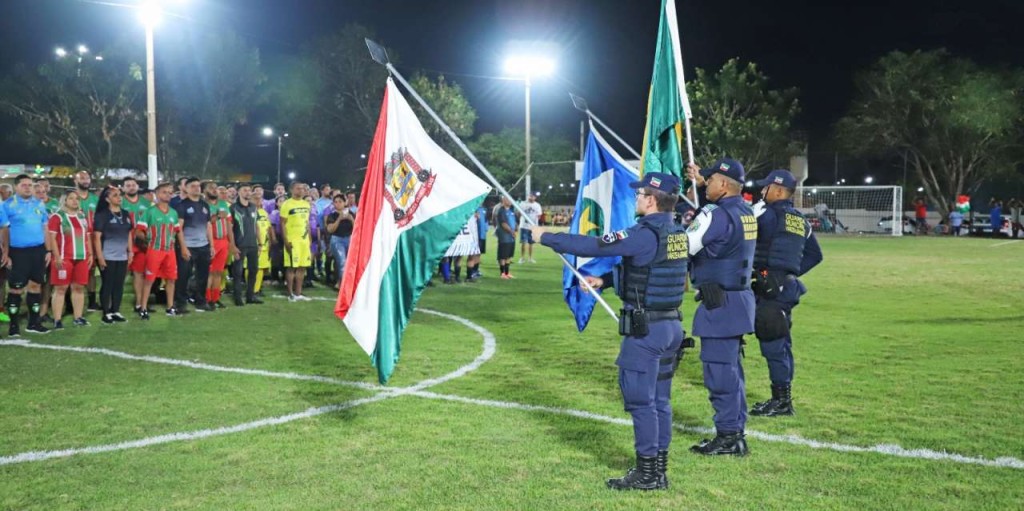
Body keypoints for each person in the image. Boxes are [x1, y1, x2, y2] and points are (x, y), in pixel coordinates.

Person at [532, 172, 688, 491]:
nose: (636, 198)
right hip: (670, 325)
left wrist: (546, 237)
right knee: (660, 401)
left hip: (647, 332)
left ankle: (647, 473)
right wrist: (604, 281)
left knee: (641, 402)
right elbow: (650, 271)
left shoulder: (646, 233)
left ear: (651, 200)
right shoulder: (677, 231)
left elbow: (595, 245)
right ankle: (658, 469)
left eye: (640, 194)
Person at [685, 158, 757, 456]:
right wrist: (703, 187)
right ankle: (734, 431)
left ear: (724, 184)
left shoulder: (715, 213)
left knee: (719, 372)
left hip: (720, 303)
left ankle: (729, 436)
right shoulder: (746, 210)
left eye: (712, 180)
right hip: (739, 299)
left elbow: (685, 246)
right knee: (731, 370)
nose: (707, 185)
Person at [748, 170, 823, 418]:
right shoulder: (800, 220)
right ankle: (782, 399)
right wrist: (788, 273)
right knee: (781, 342)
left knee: (773, 344)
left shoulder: (765, 214)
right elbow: (815, 255)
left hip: (768, 290)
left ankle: (781, 401)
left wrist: (771, 274)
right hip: (786, 288)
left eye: (766, 187)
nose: (762, 191)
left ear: (778, 190)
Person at [2, 175, 50, 335]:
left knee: (35, 286)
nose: (28, 188)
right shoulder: (7, 205)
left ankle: (33, 323)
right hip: (17, 252)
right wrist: (6, 253)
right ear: (16, 187)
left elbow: (45, 228)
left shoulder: (39, 204)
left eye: (30, 185)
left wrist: (48, 250)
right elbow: (3, 230)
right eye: (24, 185)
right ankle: (14, 326)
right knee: (16, 289)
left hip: (38, 251)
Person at [45, 189, 93, 328]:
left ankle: (78, 317)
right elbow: (52, 238)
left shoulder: (82, 216)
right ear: (64, 200)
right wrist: (57, 257)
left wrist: (90, 254)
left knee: (79, 288)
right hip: (64, 258)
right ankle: (57, 320)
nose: (75, 201)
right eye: (71, 198)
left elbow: (87, 236)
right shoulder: (57, 217)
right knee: (61, 288)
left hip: (81, 257)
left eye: (77, 198)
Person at [137, 183, 183, 318]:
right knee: (149, 279)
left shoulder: (173, 212)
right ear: (157, 194)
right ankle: (143, 308)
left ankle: (170, 307)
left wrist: (183, 248)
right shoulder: (149, 211)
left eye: (170, 192)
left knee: (171, 279)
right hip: (154, 250)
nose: (168, 195)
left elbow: (177, 231)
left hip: (170, 251)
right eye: (164, 192)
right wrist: (147, 239)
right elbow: (139, 231)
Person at [92, 186, 134, 324]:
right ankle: (106, 312)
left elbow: (128, 233)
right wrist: (100, 257)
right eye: (115, 195)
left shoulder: (125, 214)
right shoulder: (102, 215)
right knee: (107, 284)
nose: (119, 197)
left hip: (122, 256)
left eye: (119, 195)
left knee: (119, 284)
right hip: (107, 255)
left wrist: (130, 251)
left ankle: (116, 310)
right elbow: (97, 237)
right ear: (107, 199)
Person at [173, 177, 214, 312]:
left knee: (202, 275)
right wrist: (183, 247)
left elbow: (208, 226)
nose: (197, 188)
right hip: (188, 246)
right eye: (193, 186)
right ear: (186, 188)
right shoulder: (182, 205)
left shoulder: (204, 205)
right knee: (183, 276)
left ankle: (200, 301)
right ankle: (180, 302)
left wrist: (211, 245)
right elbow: (179, 228)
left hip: (203, 246)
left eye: (198, 186)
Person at [121, 177, 153, 313]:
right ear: (123, 188)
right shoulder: (120, 201)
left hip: (141, 244)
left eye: (133, 185)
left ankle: (139, 303)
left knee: (139, 273)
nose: (131, 187)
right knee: (120, 275)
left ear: (137, 186)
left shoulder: (146, 202)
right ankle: (111, 304)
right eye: (128, 185)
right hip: (123, 242)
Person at [229, 183, 262, 305]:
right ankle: (237, 298)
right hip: (239, 245)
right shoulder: (233, 208)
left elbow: (256, 226)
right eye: (244, 190)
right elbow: (229, 229)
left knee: (253, 270)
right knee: (237, 272)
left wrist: (260, 243)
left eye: (249, 190)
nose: (247, 192)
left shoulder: (253, 207)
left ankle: (250, 296)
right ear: (239, 192)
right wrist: (232, 246)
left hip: (253, 245)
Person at [204, 181, 234, 308]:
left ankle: (215, 298)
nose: (214, 190)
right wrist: (217, 216)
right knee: (209, 272)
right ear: (205, 191)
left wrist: (231, 242)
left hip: (223, 241)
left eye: (215, 188)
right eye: (211, 188)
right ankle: (207, 299)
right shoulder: (204, 205)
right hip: (211, 241)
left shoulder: (223, 204)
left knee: (218, 272)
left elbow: (229, 224)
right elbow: (205, 223)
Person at [280, 182, 312, 301]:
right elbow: (282, 223)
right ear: (291, 190)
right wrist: (285, 240)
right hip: (293, 241)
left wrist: (309, 238)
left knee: (302, 267)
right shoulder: (286, 204)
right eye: (298, 188)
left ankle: (298, 293)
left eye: (302, 188)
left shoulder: (306, 204)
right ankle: (290, 294)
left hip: (304, 241)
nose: (301, 190)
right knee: (291, 267)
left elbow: (307, 222)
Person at [324, 194, 353, 287]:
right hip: (337, 240)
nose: (338, 204)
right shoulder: (332, 215)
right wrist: (339, 219)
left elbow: (358, 228)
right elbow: (330, 230)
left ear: (345, 203)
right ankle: (344, 285)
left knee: (350, 262)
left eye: (340, 201)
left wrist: (352, 220)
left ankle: (343, 282)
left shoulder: (351, 214)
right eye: (335, 202)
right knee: (341, 261)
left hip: (349, 239)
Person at [253, 195, 274, 296]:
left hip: (264, 244)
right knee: (253, 267)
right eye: (256, 199)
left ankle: (257, 289)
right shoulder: (249, 212)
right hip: (254, 244)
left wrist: (270, 241)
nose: (259, 201)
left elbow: (268, 227)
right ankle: (252, 289)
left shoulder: (264, 212)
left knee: (262, 267)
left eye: (260, 199)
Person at [495, 196, 517, 279]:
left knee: (509, 255)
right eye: (508, 200)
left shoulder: (511, 210)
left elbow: (515, 221)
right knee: (503, 255)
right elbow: (503, 223)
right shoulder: (501, 211)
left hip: (511, 236)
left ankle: (507, 272)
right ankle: (502, 273)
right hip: (504, 236)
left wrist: (515, 230)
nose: (510, 201)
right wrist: (511, 232)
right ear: (504, 201)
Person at [518, 195, 542, 264]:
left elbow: (539, 215)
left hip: (533, 227)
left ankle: (530, 258)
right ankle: (522, 258)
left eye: (533, 196)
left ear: (535, 198)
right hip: (524, 226)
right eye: (530, 196)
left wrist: (534, 222)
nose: (531, 197)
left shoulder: (537, 205)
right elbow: (519, 213)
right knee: (523, 242)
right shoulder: (523, 203)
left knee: (531, 243)